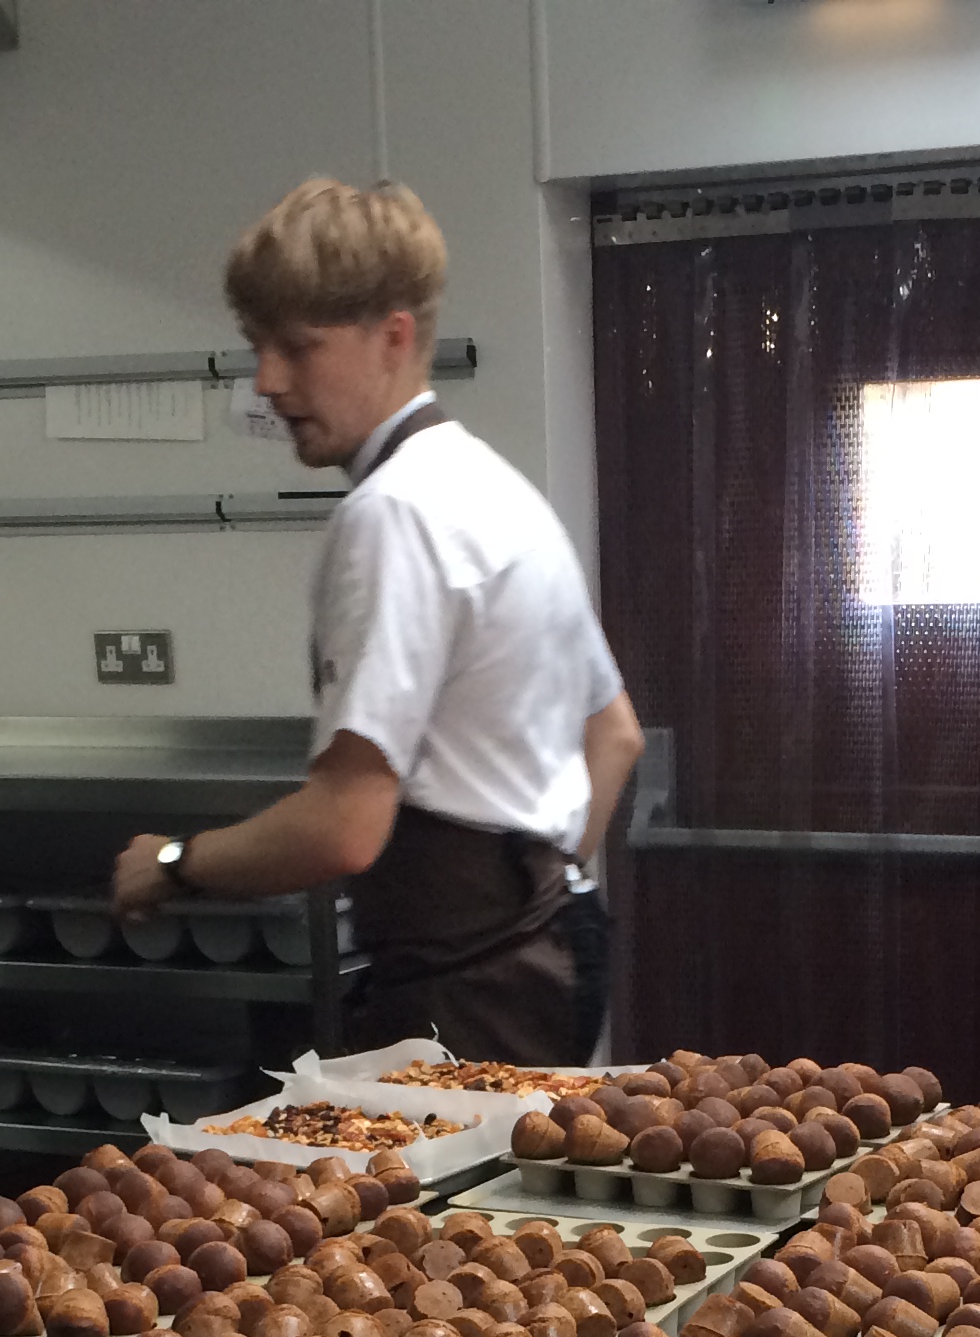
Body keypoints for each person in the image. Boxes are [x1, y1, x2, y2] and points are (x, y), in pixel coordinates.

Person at [111, 177, 643, 1064]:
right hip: (550, 958)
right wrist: (539, 898)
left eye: (297, 348)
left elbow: (343, 828)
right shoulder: (498, 492)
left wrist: (173, 863)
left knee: (442, 1209)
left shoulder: (393, 513)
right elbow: (615, 735)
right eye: (257, 346)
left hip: (471, 987)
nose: (268, 381)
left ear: (393, 336)